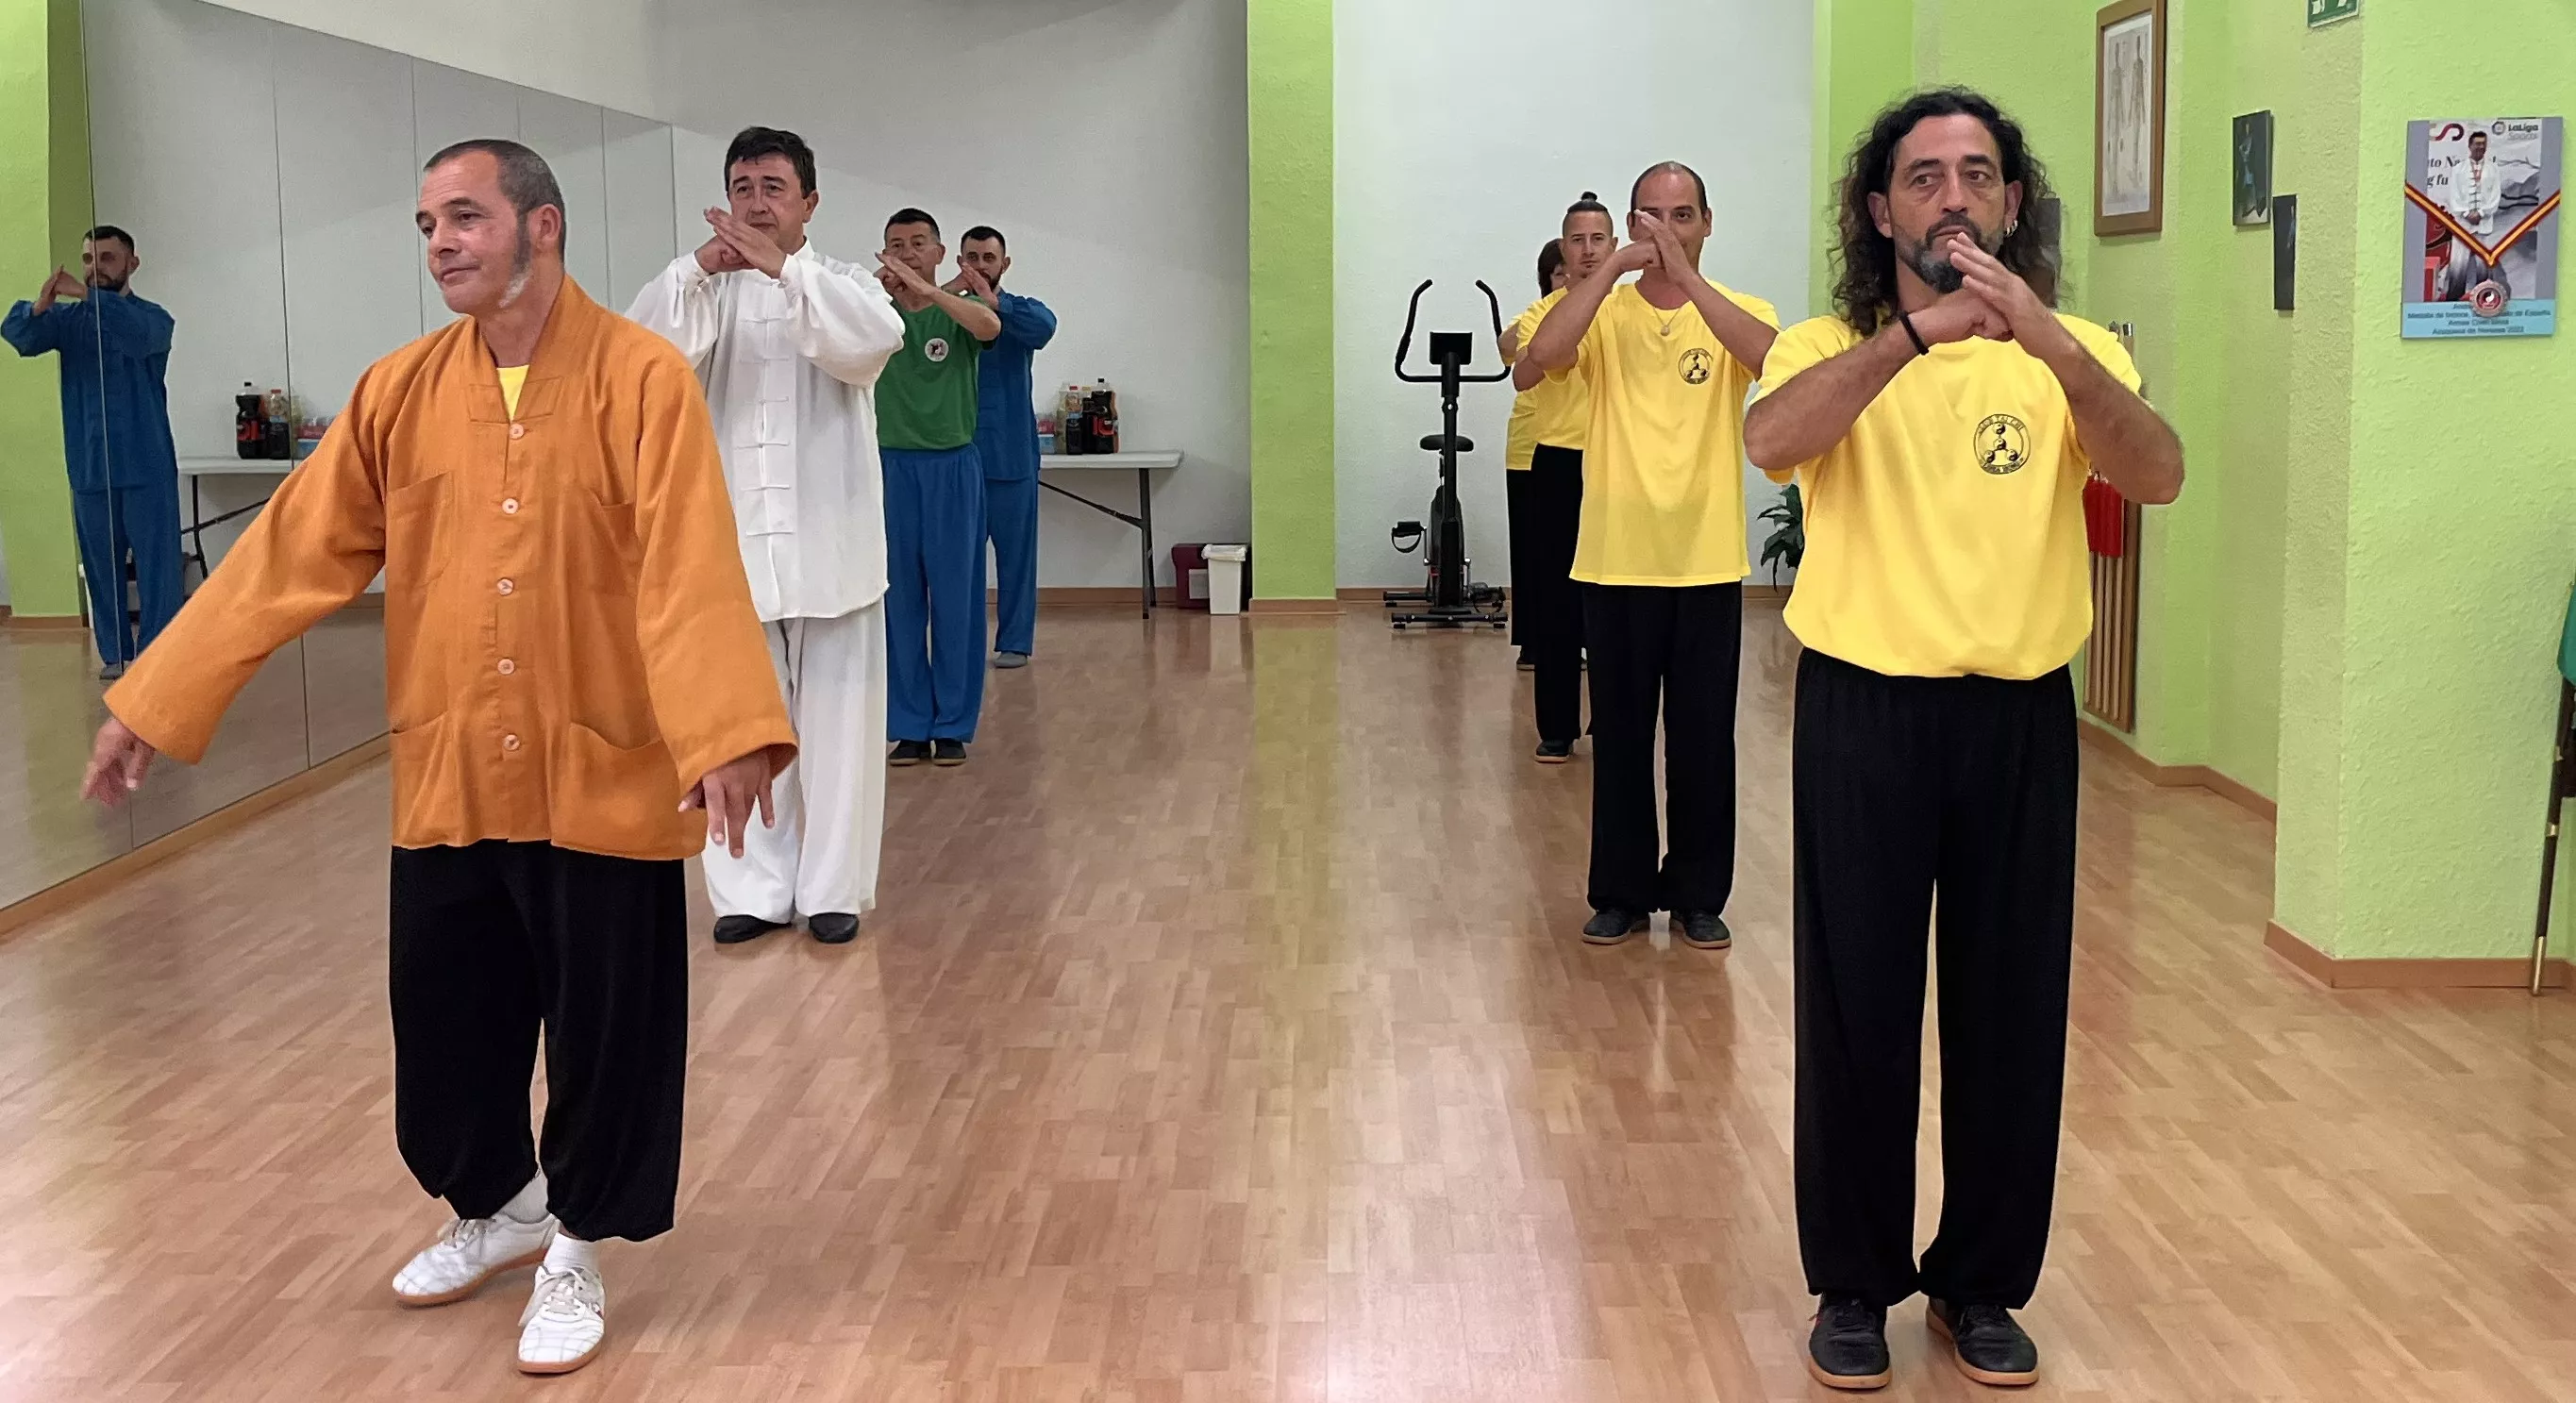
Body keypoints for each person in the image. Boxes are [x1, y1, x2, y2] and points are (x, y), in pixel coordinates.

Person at [77, 140, 796, 1378]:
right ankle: (499, 1204)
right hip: (455, 764)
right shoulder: (398, 392)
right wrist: (154, 697)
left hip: (603, 765)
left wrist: (724, 729)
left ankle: (575, 1240)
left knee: (606, 1031)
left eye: (465, 217)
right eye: (425, 225)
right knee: (448, 1028)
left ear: (542, 228)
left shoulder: (641, 379)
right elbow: (286, 553)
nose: (441, 244)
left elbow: (688, 564)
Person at [1741, 89, 2183, 1392]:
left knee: (2008, 1007)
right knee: (1854, 1004)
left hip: (2016, 716)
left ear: (2011, 201)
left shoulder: (2075, 349)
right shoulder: (1823, 341)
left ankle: (1981, 1281)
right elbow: (1771, 442)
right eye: (1922, 175)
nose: (1951, 195)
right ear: (1879, 208)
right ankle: (1851, 1282)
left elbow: (2151, 472)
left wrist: (2040, 338)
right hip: (1864, 709)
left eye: (1976, 173)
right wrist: (1916, 336)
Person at [627, 126, 906, 948]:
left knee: (842, 727)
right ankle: (749, 885)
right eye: (742, 186)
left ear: (809, 203)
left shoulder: (844, 283)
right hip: (732, 551)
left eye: (773, 188)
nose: (755, 203)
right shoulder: (697, 288)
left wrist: (785, 271)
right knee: (738, 725)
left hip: (834, 548)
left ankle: (833, 887)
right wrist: (695, 272)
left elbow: (868, 345)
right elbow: (643, 361)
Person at [1521, 161, 1778, 950]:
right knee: (1624, 737)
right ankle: (1623, 891)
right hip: (1616, 557)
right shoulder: (1602, 312)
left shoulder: (1740, 310)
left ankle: (1700, 892)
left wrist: (1687, 278)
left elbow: (1771, 358)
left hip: (1703, 561)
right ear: (1631, 226)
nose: (1666, 230)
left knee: (1703, 739)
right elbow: (1542, 358)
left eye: (1682, 215)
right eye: (1651, 217)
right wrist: (1611, 274)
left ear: (1707, 223)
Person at [2, 225, 183, 681]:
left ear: (131, 264)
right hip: (89, 465)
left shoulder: (153, 318)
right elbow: (19, 335)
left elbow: (136, 335)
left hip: (147, 462)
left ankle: (159, 656)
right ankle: (117, 655)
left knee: (158, 566)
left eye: (106, 258)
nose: (95, 267)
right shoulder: (71, 320)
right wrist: (39, 307)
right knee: (101, 569)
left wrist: (86, 294)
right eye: (87, 259)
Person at [874, 209, 1001, 765]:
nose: (906, 252)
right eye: (895, 244)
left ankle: (952, 723)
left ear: (939, 251)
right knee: (897, 603)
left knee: (957, 601)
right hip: (888, 470)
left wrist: (930, 291)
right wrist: (891, 294)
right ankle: (907, 724)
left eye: (917, 243)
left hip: (952, 470)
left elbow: (990, 327)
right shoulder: (873, 312)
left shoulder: (962, 311)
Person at [1498, 193, 1616, 761]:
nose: (1589, 251)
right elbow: (1522, 374)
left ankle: (1615, 717)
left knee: (1617, 596)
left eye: (1599, 240)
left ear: (1614, 246)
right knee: (1556, 594)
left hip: (1619, 462)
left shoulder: (1630, 308)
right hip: (1558, 461)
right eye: (1578, 241)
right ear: (1562, 252)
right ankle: (1557, 726)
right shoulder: (1544, 312)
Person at [956, 225, 1059, 670]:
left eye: (988, 258)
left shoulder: (1021, 314)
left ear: (1004, 264)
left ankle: (1015, 641)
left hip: (1012, 457)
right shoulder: (947, 311)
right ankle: (958, 644)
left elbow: (1046, 328)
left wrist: (998, 303)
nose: (980, 266)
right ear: (958, 261)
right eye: (971, 257)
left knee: (1016, 560)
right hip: (958, 458)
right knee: (958, 562)